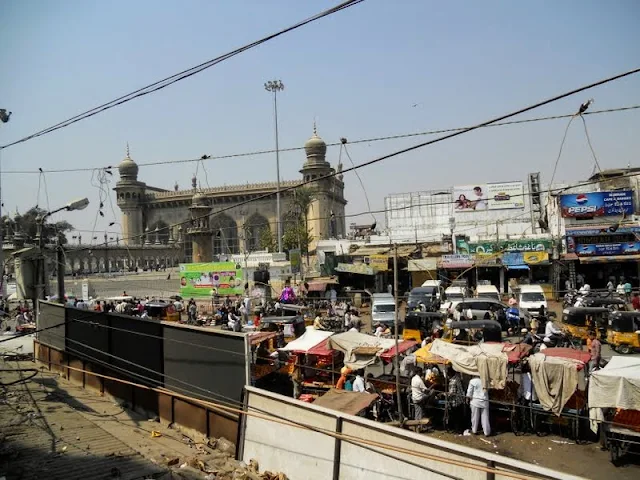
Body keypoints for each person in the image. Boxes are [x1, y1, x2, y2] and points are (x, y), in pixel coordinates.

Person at [446, 367, 465, 433]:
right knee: (459, 417)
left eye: (447, 372)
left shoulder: (453, 381)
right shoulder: (457, 378)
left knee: (456, 417)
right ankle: (459, 430)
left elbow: (452, 393)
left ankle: (457, 430)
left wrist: (443, 394)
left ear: (450, 373)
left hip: (455, 401)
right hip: (460, 400)